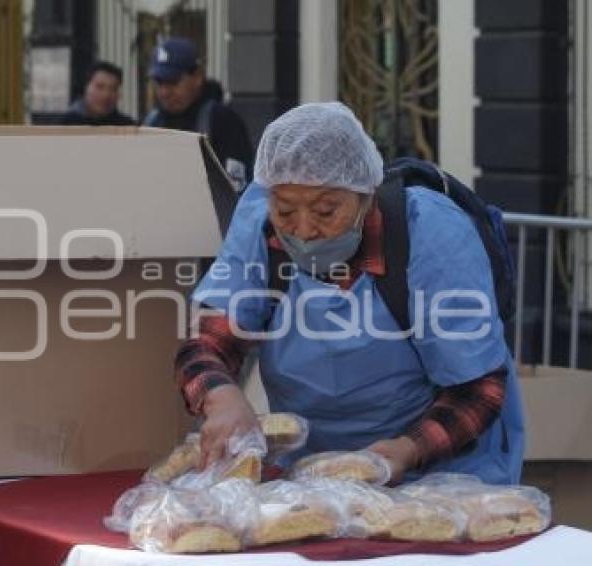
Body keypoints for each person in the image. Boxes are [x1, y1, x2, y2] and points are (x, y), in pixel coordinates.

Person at [174, 102, 524, 486]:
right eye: (286, 211)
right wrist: (221, 396)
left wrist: (407, 450)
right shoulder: (259, 223)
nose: (304, 231)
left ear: (366, 197)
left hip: (440, 468)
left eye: (326, 211)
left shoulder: (431, 236)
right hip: (314, 472)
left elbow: (479, 388)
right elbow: (208, 339)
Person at [145, 38, 254, 190]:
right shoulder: (152, 121)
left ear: (197, 77)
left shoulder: (222, 121)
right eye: (159, 82)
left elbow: (235, 189)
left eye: (173, 82)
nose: (164, 92)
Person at [60, 61, 136, 126]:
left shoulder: (127, 127)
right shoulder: (66, 125)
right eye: (100, 87)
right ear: (86, 87)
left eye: (113, 89)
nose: (106, 95)